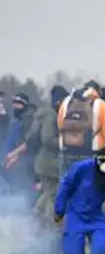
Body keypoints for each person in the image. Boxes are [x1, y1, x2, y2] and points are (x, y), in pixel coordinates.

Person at [57, 81, 105, 174]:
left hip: (66, 152)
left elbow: (60, 125)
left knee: (67, 185)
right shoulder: (99, 104)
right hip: (90, 153)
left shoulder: (67, 102)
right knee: (88, 185)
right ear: (98, 91)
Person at [30, 86, 68, 218]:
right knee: (53, 193)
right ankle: (52, 223)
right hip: (49, 161)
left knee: (47, 191)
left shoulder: (44, 114)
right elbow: (47, 138)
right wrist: (64, 143)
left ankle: (36, 215)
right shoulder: (51, 116)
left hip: (43, 160)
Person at [3, 93, 37, 200]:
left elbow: (29, 143)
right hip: (13, 160)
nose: (15, 107)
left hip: (25, 162)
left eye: (18, 104)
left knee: (27, 191)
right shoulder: (15, 120)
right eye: (14, 104)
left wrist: (15, 155)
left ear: (24, 105)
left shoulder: (28, 120)